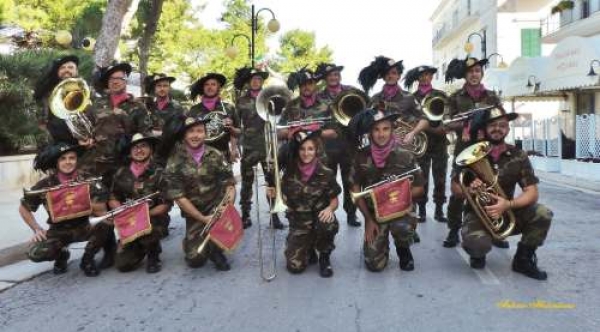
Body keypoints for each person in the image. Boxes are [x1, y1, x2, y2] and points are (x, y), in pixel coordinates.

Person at [458, 107, 552, 280]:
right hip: (478, 215)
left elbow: (532, 192)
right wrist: (469, 189)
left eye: (502, 125)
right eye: (493, 125)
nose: (497, 129)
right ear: (485, 128)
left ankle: (523, 260)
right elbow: (455, 188)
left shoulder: (519, 156)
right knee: (478, 245)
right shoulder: (470, 154)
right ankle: (478, 252)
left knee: (543, 213)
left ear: (508, 129)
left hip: (506, 211)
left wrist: (508, 205)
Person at [19, 142, 112, 277]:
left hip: (85, 226)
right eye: (63, 159)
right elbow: (23, 209)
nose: (68, 162)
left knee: (107, 222)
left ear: (76, 160)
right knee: (35, 253)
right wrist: (37, 229)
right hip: (59, 231)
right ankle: (62, 254)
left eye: (71, 158)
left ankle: (88, 258)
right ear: (56, 162)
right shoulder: (45, 184)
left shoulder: (89, 179)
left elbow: (102, 210)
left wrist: (79, 198)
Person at [349, 109, 425, 272]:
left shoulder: (406, 155)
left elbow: (419, 188)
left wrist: (397, 193)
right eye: (376, 130)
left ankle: (403, 250)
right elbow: (355, 191)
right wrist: (368, 219)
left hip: (400, 210)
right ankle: (381, 246)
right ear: (370, 133)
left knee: (402, 228)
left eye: (385, 129)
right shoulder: (361, 156)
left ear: (392, 130)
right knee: (374, 265)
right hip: (376, 213)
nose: (381, 134)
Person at [443, 56, 507, 249]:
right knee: (458, 191)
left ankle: (494, 229)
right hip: (464, 151)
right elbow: (446, 122)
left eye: (477, 71)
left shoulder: (492, 97)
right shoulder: (455, 97)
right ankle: (454, 229)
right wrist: (464, 125)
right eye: (470, 71)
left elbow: (502, 120)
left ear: (481, 73)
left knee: (491, 188)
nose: (474, 74)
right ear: (465, 74)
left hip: (488, 150)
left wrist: (491, 129)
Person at [163, 116, 236, 271]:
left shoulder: (216, 155)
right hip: (194, 212)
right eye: (191, 131)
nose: (195, 135)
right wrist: (202, 218)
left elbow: (230, 186)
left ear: (205, 134)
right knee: (195, 260)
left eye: (199, 131)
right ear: (184, 135)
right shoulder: (174, 161)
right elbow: (179, 198)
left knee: (218, 240)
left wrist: (226, 208)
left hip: (215, 209)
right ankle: (193, 241)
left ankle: (216, 249)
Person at [270, 129, 340, 277]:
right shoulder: (288, 172)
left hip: (319, 219)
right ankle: (308, 248)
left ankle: (324, 257)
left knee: (328, 224)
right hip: (299, 222)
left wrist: (329, 209)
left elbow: (334, 200)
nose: (306, 153)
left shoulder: (326, 172)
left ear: (316, 150)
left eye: (310, 149)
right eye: (302, 149)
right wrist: (273, 193)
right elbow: (284, 199)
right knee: (295, 267)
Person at [109, 133, 170, 273]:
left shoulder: (159, 172)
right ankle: (140, 245)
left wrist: (143, 214)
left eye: (143, 146)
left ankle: (153, 254)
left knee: (150, 231)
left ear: (151, 150)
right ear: (130, 152)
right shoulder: (121, 173)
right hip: (129, 220)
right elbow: (113, 198)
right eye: (135, 147)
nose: (139, 150)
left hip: (153, 218)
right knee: (122, 265)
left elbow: (166, 204)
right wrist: (121, 211)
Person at [233, 66, 283, 230]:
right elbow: (235, 125)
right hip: (248, 146)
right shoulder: (241, 101)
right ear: (249, 82)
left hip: (268, 146)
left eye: (259, 79)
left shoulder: (270, 98)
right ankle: (245, 215)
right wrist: (235, 145)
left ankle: (274, 215)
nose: (256, 82)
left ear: (262, 82)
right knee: (247, 184)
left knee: (271, 182)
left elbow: (279, 117)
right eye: (253, 79)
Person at [315, 62, 363, 228]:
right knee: (328, 181)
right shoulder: (319, 96)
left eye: (336, 75)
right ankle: (328, 212)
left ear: (339, 76)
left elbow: (363, 108)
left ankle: (351, 213)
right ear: (326, 78)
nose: (333, 77)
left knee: (350, 180)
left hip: (349, 144)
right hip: (327, 146)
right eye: (330, 76)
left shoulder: (351, 91)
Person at [404, 65, 449, 224]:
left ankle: (439, 209)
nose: (424, 78)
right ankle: (422, 210)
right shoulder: (411, 97)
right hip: (420, 143)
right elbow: (408, 119)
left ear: (431, 77)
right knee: (421, 177)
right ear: (417, 78)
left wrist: (440, 127)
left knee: (440, 177)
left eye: (427, 75)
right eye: (421, 75)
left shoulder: (440, 95)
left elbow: (447, 117)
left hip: (439, 143)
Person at [358, 56, 429, 147]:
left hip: (403, 148)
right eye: (387, 73)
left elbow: (425, 119)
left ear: (398, 76)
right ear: (383, 77)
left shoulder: (409, 97)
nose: (390, 76)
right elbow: (366, 123)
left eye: (394, 73)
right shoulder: (375, 98)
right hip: (379, 147)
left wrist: (413, 133)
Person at [188, 73, 240, 163]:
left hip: (223, 156)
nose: (210, 87)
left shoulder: (229, 108)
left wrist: (231, 129)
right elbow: (187, 135)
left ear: (218, 87)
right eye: (206, 84)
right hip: (200, 157)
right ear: (203, 88)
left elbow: (238, 132)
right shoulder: (193, 110)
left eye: (213, 84)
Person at [33, 55, 82, 146]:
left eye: (71, 67)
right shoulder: (48, 90)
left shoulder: (85, 89)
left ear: (77, 71)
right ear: (57, 72)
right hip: (55, 142)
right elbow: (37, 93)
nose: (66, 70)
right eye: (62, 68)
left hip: (80, 142)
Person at [143, 73, 185, 138]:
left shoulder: (178, 108)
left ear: (169, 88)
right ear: (154, 88)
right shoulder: (148, 107)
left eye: (165, 86)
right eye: (159, 86)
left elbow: (182, 132)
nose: (162, 89)